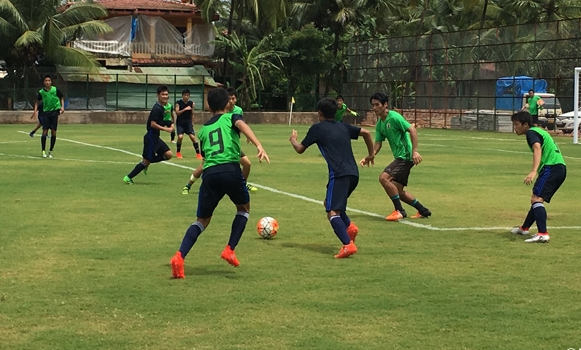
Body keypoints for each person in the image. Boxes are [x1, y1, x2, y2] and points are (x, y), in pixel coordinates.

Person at [170, 87, 270, 278]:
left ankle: (179, 256)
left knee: (202, 221)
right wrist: (258, 145)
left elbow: (206, 157)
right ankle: (229, 249)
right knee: (244, 209)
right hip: (231, 170)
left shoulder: (204, 130)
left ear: (208, 106)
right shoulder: (231, 118)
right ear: (227, 104)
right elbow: (242, 125)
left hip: (210, 174)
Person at [289, 98, 374, 258]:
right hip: (353, 174)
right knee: (329, 203)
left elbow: (300, 149)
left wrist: (293, 140)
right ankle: (350, 227)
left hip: (339, 173)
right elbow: (367, 132)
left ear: (319, 113)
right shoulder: (343, 126)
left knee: (332, 211)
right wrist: (371, 154)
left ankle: (347, 245)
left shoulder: (317, 129)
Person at [361, 92, 431, 221]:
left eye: (377, 105)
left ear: (385, 104)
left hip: (405, 156)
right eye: (373, 105)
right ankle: (423, 210)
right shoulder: (380, 124)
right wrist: (371, 155)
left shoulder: (394, 117)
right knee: (397, 190)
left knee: (384, 178)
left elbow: (412, 129)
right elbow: (378, 143)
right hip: (401, 157)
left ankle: (399, 211)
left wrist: (414, 151)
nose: (374, 108)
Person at [510, 111, 566, 243]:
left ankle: (542, 233)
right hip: (559, 168)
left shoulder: (531, 133)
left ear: (525, 124)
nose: (515, 127)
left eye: (517, 124)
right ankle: (524, 228)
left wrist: (533, 171)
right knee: (537, 199)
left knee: (536, 199)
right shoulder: (538, 131)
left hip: (551, 168)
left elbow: (537, 148)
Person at [123, 85, 174, 184]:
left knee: (168, 154)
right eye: (163, 94)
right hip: (151, 138)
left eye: (166, 94)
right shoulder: (157, 109)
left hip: (156, 138)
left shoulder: (163, 108)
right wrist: (166, 129)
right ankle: (128, 177)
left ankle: (147, 163)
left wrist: (171, 124)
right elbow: (153, 124)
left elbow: (163, 120)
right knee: (146, 161)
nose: (165, 96)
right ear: (158, 95)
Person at [228, 87, 258, 192]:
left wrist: (248, 136)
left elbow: (241, 123)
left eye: (233, 98)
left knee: (247, 164)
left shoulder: (238, 110)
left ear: (236, 99)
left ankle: (242, 184)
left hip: (234, 144)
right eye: (229, 99)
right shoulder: (222, 111)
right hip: (225, 144)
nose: (231, 101)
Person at [34, 75, 64, 158]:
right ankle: (43, 151)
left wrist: (62, 107)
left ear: (51, 82)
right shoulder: (41, 92)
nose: (47, 82)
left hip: (54, 112)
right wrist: (35, 111)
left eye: (49, 80)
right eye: (46, 81)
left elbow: (61, 97)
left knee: (54, 131)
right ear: (44, 82)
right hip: (45, 113)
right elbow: (37, 102)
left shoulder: (55, 90)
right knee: (45, 131)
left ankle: (50, 151)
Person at [174, 89, 202, 159]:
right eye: (185, 95)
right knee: (180, 137)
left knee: (193, 137)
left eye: (187, 95)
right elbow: (177, 113)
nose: (186, 97)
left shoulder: (191, 104)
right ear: (182, 96)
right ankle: (178, 152)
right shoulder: (178, 103)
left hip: (188, 123)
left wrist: (192, 122)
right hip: (180, 123)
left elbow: (192, 114)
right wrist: (185, 109)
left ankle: (198, 153)